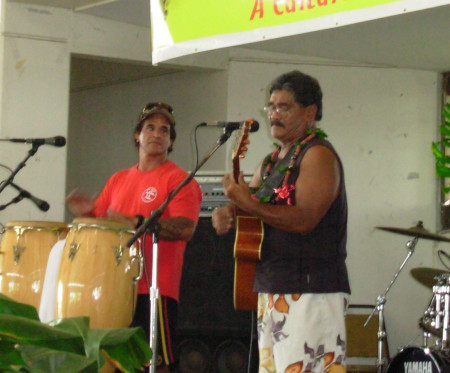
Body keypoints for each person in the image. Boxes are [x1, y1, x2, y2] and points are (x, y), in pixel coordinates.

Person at [212, 71, 350, 373]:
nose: (273, 114)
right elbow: (254, 211)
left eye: (283, 107)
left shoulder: (318, 156)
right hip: (272, 287)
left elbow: (304, 219)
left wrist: (245, 201)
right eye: (271, 107)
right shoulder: (271, 161)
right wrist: (230, 213)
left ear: (310, 112)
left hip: (311, 290)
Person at [66, 102, 202, 373]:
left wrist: (138, 223)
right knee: (114, 365)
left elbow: (186, 228)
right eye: (150, 128)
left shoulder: (179, 180)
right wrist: (86, 214)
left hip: (154, 291)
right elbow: (102, 226)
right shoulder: (118, 179)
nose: (157, 134)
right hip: (112, 289)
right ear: (137, 136)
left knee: (152, 364)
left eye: (164, 131)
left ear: (170, 140)